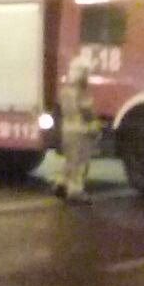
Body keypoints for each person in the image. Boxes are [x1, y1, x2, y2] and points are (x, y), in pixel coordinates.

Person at [55, 57, 95, 203]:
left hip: (66, 130)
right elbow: (87, 111)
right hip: (80, 131)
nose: (88, 77)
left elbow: (60, 109)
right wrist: (95, 126)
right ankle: (75, 191)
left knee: (69, 159)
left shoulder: (65, 90)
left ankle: (61, 183)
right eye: (87, 73)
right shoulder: (82, 92)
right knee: (80, 163)